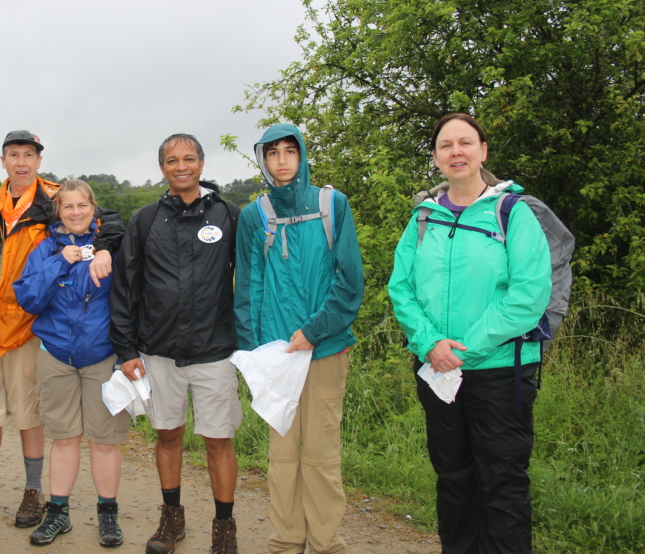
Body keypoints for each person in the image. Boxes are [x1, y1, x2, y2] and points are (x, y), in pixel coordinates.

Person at [0, 130, 124, 531]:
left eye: (28, 155)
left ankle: (32, 491)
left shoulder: (56, 199)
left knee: (29, 414)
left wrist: (106, 246)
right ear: (2, 160)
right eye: (13, 155)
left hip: (27, 329)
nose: (21, 162)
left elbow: (104, 219)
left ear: (40, 160)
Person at [388, 113, 551, 554]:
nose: (455, 152)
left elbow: (528, 295)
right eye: (446, 145)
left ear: (483, 152)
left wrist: (463, 349)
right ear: (437, 158)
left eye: (465, 143)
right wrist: (429, 345)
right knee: (453, 478)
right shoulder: (423, 218)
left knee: (501, 482)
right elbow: (401, 288)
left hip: (501, 371)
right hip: (436, 372)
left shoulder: (512, 213)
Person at [234, 124, 365, 554]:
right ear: (263, 161)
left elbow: (350, 282)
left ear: (303, 154)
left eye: (291, 151)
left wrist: (313, 331)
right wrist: (254, 352)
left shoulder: (332, 204)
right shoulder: (255, 216)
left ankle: (327, 545)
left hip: (325, 348)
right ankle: (285, 543)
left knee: (323, 456)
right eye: (273, 154)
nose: (283, 160)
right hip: (277, 355)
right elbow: (247, 289)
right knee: (282, 456)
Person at [109, 133, 242, 554]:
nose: (180, 166)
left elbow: (253, 281)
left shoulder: (229, 215)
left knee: (218, 441)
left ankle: (224, 528)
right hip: (158, 352)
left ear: (202, 164)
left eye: (188, 159)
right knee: (167, 437)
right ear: (162, 167)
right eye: (171, 160)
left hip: (214, 351)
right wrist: (126, 350)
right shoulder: (145, 220)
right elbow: (125, 287)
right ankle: (172, 520)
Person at [13, 178, 131, 547]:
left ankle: (107, 514)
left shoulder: (111, 246)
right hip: (56, 357)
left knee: (104, 441)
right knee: (64, 439)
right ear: (58, 211)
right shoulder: (45, 248)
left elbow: (132, 298)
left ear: (94, 208)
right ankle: (58, 513)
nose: (76, 212)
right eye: (68, 207)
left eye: (83, 206)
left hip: (102, 357)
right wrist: (59, 263)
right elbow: (28, 298)